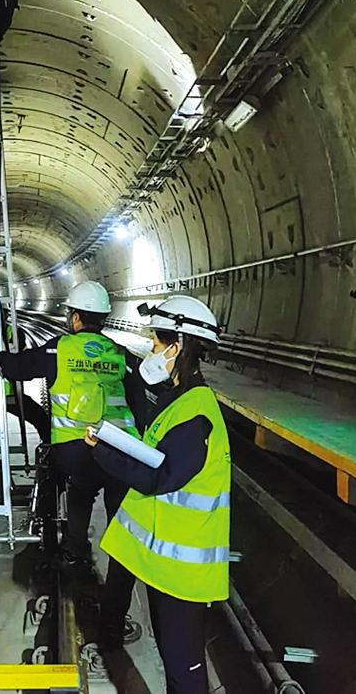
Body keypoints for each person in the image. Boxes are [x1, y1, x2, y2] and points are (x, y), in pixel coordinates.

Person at [88, 295, 230, 691]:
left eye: (156, 340)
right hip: (165, 562)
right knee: (172, 656)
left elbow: (162, 476)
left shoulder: (195, 413)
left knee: (183, 663)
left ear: (177, 345)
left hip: (184, 571)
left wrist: (104, 454)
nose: (151, 347)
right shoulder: (179, 398)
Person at [0, 281, 141, 568]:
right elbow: (138, 399)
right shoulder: (120, 353)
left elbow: (18, 368)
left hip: (74, 447)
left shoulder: (59, 349)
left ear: (75, 317)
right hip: (118, 446)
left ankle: (75, 549)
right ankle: (123, 556)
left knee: (79, 490)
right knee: (118, 495)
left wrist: (0, 357)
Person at [0, 308, 50, 450]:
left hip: (10, 392)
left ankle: (49, 450)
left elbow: (17, 353)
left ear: (6, 317)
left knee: (39, 417)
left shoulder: (15, 334)